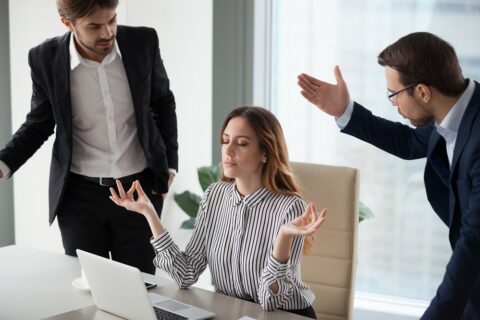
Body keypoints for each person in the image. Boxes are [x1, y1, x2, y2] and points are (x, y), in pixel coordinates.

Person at [297, 32, 480, 319]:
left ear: (422, 92)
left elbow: (474, 241)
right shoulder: (458, 110)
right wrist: (345, 111)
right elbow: (409, 142)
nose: (393, 104)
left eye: (393, 94)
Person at [0, 0, 178, 274]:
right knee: (88, 290)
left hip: (138, 192)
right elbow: (39, 123)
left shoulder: (143, 42)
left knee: (141, 290)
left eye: (112, 20)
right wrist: (4, 163)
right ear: (68, 23)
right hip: (79, 198)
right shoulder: (44, 58)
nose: (107, 33)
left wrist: (169, 165)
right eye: (94, 26)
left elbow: (162, 102)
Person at [110, 106, 327, 318]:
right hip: (232, 312)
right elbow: (185, 274)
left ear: (265, 153)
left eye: (241, 143)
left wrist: (283, 238)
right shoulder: (214, 195)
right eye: (225, 141)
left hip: (285, 315)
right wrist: (150, 213)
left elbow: (270, 302)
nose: (228, 150)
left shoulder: (290, 208)